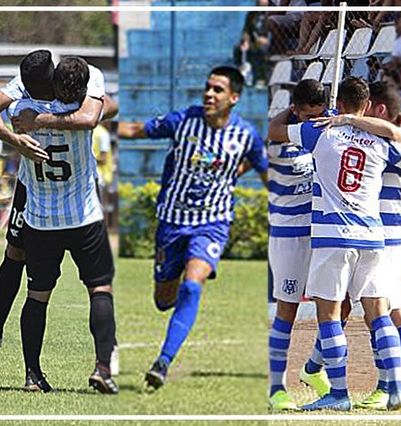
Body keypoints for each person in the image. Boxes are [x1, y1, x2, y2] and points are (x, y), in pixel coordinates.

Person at [268, 77, 401, 411]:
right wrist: (355, 120)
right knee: (379, 314)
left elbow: (275, 131)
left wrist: (335, 118)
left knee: (330, 317)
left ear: (339, 102)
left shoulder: (318, 132)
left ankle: (338, 393)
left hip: (332, 237)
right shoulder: (380, 141)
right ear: (367, 105)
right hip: (373, 237)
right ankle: (395, 390)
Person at [118, 66, 268, 390]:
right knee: (163, 299)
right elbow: (135, 130)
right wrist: (95, 124)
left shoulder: (246, 137)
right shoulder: (184, 120)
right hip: (172, 222)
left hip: (212, 223)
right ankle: (172, 300)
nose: (209, 94)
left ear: (234, 97)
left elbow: (269, 174)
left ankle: (162, 362)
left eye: (217, 90)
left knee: (193, 285)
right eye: (207, 88)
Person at [0, 50, 119, 372]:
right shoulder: (28, 89)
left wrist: (37, 122)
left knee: (33, 278)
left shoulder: (54, 97)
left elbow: (94, 115)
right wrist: (15, 140)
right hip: (35, 190)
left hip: (51, 194)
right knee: (14, 254)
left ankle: (28, 364)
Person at [355, 81, 401, 408]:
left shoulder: (391, 142)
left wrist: (345, 120)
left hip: (389, 237)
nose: (358, 115)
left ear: (378, 110)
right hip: (400, 235)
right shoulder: (398, 137)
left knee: (378, 310)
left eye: (364, 109)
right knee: (395, 312)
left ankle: (392, 387)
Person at [267, 79, 329, 411]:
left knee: (340, 304)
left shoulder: (324, 130)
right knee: (287, 312)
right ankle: (276, 388)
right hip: (288, 235)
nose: (314, 122)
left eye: (320, 115)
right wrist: (288, 115)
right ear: (295, 110)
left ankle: (314, 367)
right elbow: (273, 128)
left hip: (323, 231)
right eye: (309, 116)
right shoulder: (278, 139)